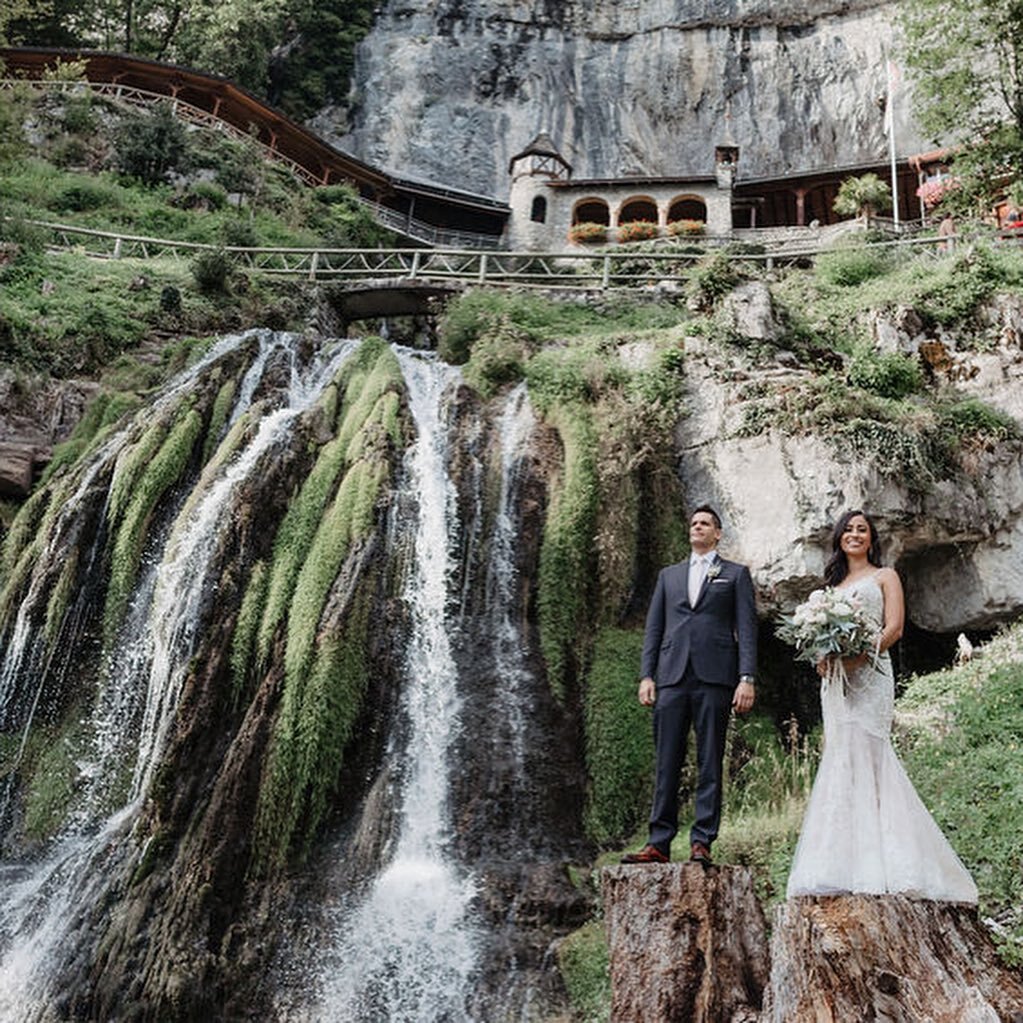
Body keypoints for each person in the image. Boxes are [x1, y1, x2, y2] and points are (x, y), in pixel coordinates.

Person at [786, 510, 977, 901]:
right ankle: (842, 864)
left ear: (871, 540)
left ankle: (891, 862)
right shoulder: (830, 587)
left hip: (872, 675)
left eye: (863, 531)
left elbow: (894, 628)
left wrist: (861, 655)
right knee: (841, 756)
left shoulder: (885, 576)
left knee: (870, 753)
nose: (855, 535)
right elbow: (820, 639)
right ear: (839, 538)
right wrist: (823, 658)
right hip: (836, 683)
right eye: (849, 530)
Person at [622, 505, 757, 866]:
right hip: (671, 676)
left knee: (710, 759)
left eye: (705, 524)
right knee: (667, 760)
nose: (697, 527)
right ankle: (659, 843)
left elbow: (746, 630)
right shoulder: (669, 576)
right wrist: (646, 675)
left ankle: (702, 841)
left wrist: (747, 678)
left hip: (716, 677)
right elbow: (654, 628)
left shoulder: (735, 574)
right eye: (694, 523)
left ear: (717, 534)